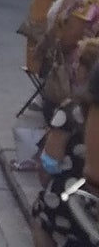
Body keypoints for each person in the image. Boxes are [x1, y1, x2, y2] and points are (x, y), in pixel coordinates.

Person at [32, 35, 99, 247]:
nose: (74, 66)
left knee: (41, 215)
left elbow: (50, 162)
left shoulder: (71, 110)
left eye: (79, 62)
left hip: (72, 198)